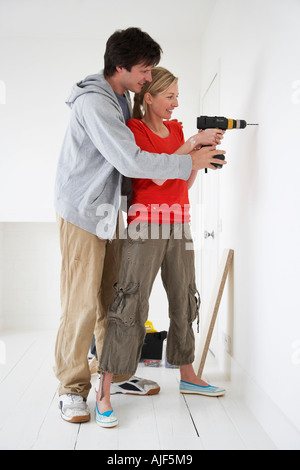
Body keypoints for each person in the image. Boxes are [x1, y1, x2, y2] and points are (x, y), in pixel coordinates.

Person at [54, 27, 227, 424]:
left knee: (111, 296)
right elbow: (133, 163)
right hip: (83, 211)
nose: (148, 77)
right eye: (145, 71)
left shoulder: (118, 99)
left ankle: (113, 376)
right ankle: (73, 388)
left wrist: (193, 158)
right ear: (121, 67)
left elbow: (164, 176)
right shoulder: (97, 104)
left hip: (112, 213)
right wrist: (188, 159)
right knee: (82, 302)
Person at [97, 67, 226, 428]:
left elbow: (183, 178)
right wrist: (190, 148)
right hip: (145, 223)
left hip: (179, 220)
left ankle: (187, 373)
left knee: (185, 296)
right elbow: (152, 174)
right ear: (149, 98)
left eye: (177, 96)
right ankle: (105, 390)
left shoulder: (178, 130)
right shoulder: (135, 131)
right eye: (169, 96)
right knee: (130, 299)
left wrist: (201, 154)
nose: (175, 103)